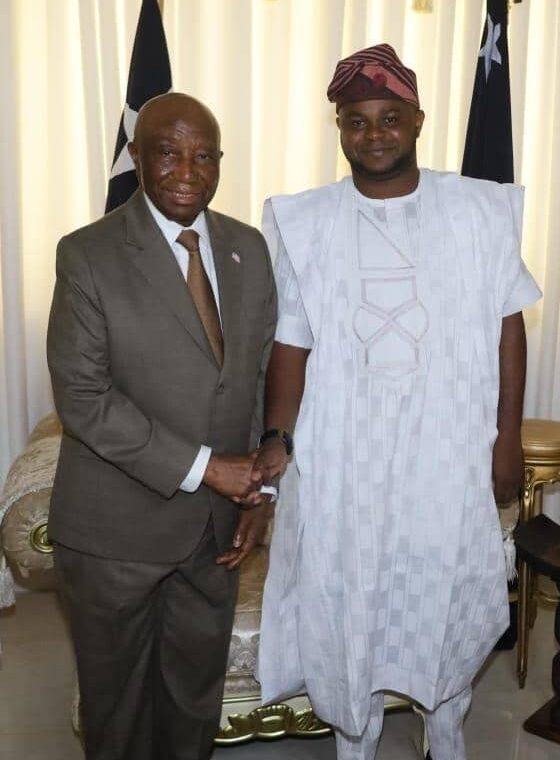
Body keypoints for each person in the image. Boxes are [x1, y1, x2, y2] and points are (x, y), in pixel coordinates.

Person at [254, 44, 541, 760]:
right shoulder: (306, 221)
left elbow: (510, 325)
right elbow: (291, 342)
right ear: (340, 128)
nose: (373, 133)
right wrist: (278, 439)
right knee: (350, 586)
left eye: (389, 118)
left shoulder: (480, 210)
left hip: (445, 445)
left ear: (417, 120)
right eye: (357, 121)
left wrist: (507, 439)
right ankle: (357, 730)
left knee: (448, 579)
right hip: (344, 447)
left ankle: (446, 723)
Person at [46, 93, 276, 760]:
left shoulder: (248, 250)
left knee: (192, 707)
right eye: (168, 153)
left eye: (204, 156)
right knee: (116, 715)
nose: (187, 170)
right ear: (139, 158)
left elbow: (255, 380)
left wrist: (257, 491)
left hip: (215, 534)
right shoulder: (87, 255)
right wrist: (210, 467)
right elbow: (84, 399)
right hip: (113, 536)